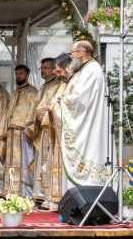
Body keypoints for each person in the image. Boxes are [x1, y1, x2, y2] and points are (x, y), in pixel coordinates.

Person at [51, 41, 110, 187]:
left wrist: (60, 101)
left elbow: (80, 100)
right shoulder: (89, 69)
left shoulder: (90, 70)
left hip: (90, 121)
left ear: (82, 52)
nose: (72, 57)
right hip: (91, 119)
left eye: (73, 53)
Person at [25, 58, 59, 201]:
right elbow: (36, 107)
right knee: (40, 161)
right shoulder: (44, 86)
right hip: (42, 129)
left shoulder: (57, 85)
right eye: (41, 68)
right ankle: (39, 193)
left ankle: (47, 194)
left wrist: (43, 116)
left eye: (45, 67)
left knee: (47, 162)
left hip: (50, 128)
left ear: (53, 69)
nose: (42, 70)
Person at [43, 53, 73, 211]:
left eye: (59, 71)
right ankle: (56, 199)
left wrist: (53, 107)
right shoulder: (64, 83)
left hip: (67, 135)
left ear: (67, 67)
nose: (57, 75)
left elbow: (71, 108)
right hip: (58, 133)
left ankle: (64, 200)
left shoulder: (73, 82)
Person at [3, 65, 37, 197]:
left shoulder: (33, 92)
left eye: (21, 73)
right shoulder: (14, 92)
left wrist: (29, 130)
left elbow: (33, 112)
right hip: (12, 132)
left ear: (27, 74)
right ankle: (12, 191)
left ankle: (26, 192)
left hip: (24, 132)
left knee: (25, 162)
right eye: (16, 73)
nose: (18, 76)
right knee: (12, 163)